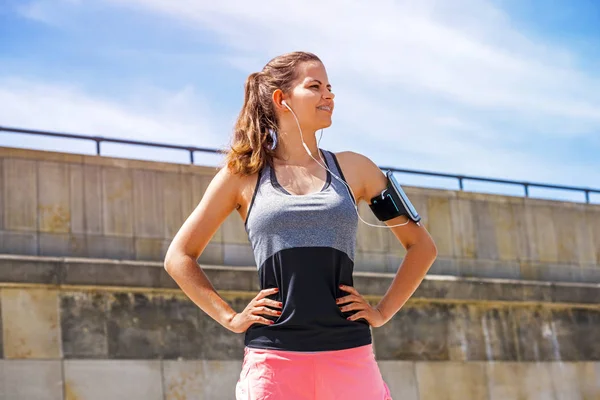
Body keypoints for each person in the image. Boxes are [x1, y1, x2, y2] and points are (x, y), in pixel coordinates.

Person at [164, 51, 438, 400]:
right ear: (282, 99)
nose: (329, 95)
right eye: (315, 86)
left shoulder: (357, 170)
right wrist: (230, 318)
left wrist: (382, 312)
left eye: (329, 87)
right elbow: (179, 256)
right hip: (274, 362)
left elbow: (422, 247)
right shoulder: (242, 175)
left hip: (349, 358)